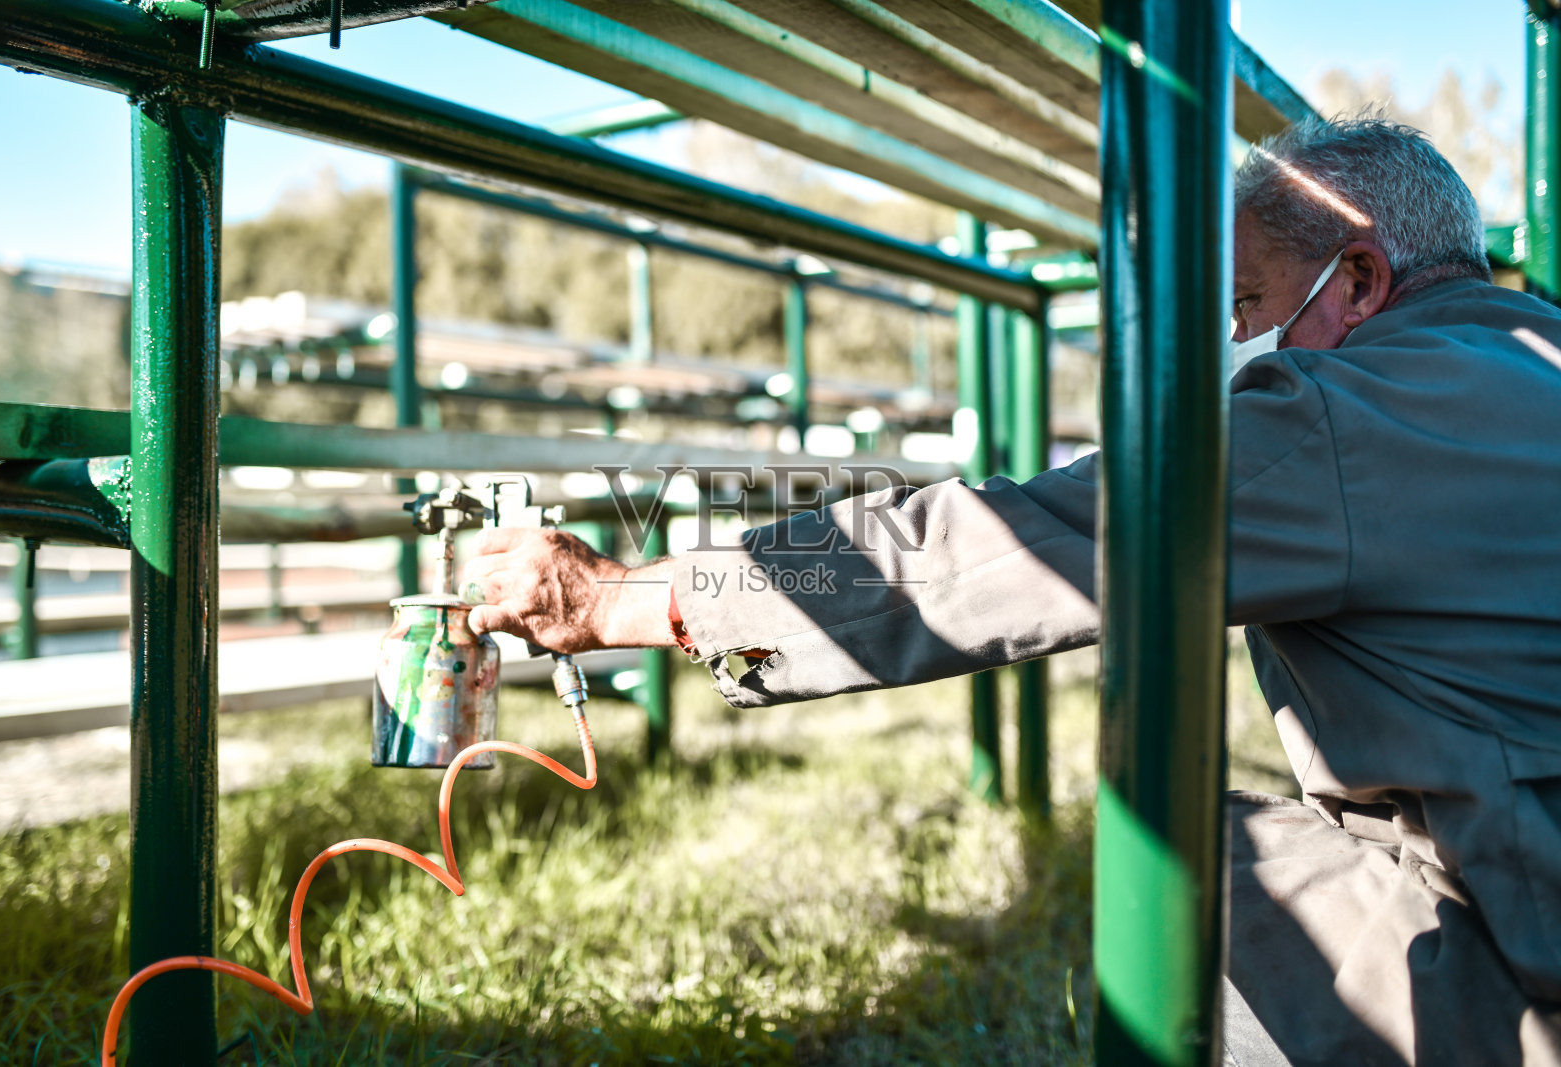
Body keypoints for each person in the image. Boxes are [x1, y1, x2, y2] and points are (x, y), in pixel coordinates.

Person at [459, 118, 1561, 1065]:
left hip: (1535, 957)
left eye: (1246, 302)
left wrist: (624, 599)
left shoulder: (1338, 412)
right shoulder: (1535, 354)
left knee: (1196, 859)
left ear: (1358, 279)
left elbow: (995, 547)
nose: (1236, 341)